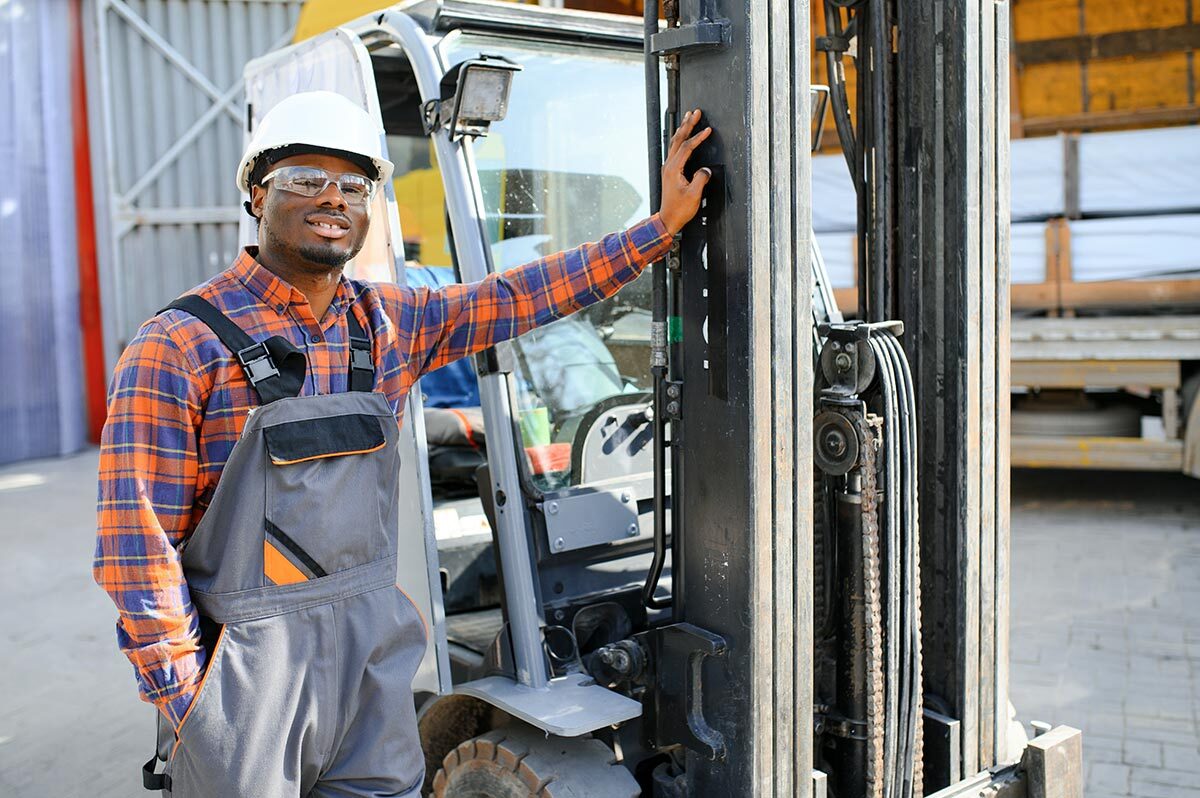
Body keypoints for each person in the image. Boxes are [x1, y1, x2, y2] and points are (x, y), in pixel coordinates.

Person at [94, 90, 712, 797]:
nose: (332, 197)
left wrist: (660, 228)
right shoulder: (179, 344)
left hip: (370, 667)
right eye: (305, 178)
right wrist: (194, 707)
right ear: (258, 194)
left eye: (353, 185)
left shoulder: (387, 323)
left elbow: (516, 297)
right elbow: (135, 549)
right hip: (245, 680)